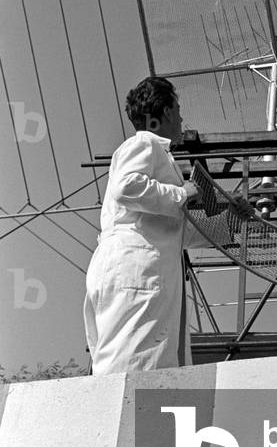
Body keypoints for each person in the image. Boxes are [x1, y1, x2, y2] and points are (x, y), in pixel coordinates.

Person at [83, 76, 249, 375]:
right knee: (131, 361)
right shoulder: (144, 143)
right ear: (169, 111)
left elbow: (180, 231)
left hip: (143, 266)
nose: (182, 116)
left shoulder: (158, 157)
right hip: (136, 265)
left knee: (147, 361)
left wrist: (232, 219)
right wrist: (182, 193)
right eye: (179, 107)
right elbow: (126, 187)